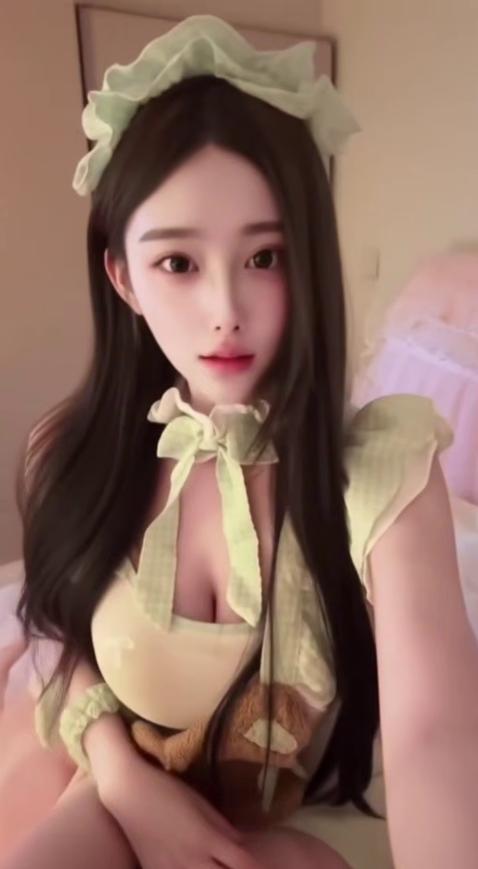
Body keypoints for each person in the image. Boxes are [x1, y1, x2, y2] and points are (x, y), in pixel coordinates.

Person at [2, 14, 478, 869]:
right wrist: (124, 780)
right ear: (123, 277)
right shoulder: (69, 452)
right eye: (178, 263)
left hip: (318, 816)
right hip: (122, 785)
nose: (225, 310)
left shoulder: (385, 476)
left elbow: (434, 737)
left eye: (265, 257)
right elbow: (63, 636)